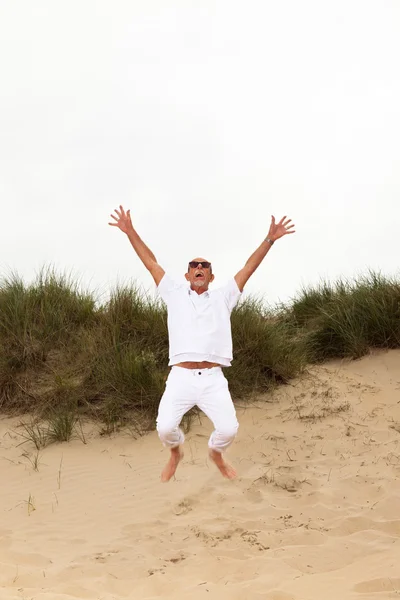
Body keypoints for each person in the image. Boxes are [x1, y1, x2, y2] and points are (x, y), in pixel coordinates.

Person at [109, 206, 295, 482]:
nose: (199, 268)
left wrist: (269, 239)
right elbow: (151, 262)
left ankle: (216, 454)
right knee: (165, 428)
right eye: (193, 266)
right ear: (187, 276)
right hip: (181, 376)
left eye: (204, 266)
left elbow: (248, 268)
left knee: (229, 430)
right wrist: (130, 231)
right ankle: (176, 452)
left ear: (211, 275)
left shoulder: (224, 297)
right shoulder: (174, 294)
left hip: (212, 378)